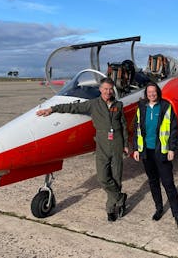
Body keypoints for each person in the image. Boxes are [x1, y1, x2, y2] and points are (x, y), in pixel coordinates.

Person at [36, 77, 129, 222]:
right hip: (102, 146)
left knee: (116, 178)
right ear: (100, 90)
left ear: (113, 90)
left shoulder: (119, 105)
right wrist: (52, 109)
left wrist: (125, 144)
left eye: (110, 89)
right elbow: (72, 107)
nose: (108, 91)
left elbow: (123, 125)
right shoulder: (93, 105)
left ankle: (111, 209)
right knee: (103, 178)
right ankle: (120, 197)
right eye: (105, 89)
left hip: (117, 145)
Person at [133, 82, 178, 229]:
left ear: (158, 92)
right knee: (153, 182)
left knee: (168, 184)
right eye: (149, 92)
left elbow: (173, 129)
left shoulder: (165, 106)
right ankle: (159, 208)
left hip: (161, 151)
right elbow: (137, 128)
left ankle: (177, 215)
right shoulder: (141, 107)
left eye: (154, 92)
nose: (151, 94)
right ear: (146, 94)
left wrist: (171, 148)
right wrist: (136, 149)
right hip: (146, 152)